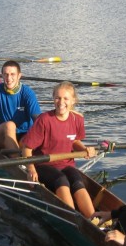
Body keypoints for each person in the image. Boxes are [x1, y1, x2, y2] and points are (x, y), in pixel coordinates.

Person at [20, 81, 97, 218]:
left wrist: (85, 149)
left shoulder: (77, 119)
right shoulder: (44, 120)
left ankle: (94, 219)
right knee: (61, 179)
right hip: (43, 164)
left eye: (66, 98)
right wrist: (31, 169)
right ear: (53, 99)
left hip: (66, 164)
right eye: (57, 98)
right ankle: (72, 217)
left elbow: (74, 140)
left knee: (77, 181)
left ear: (73, 101)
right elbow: (27, 148)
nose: (61, 102)